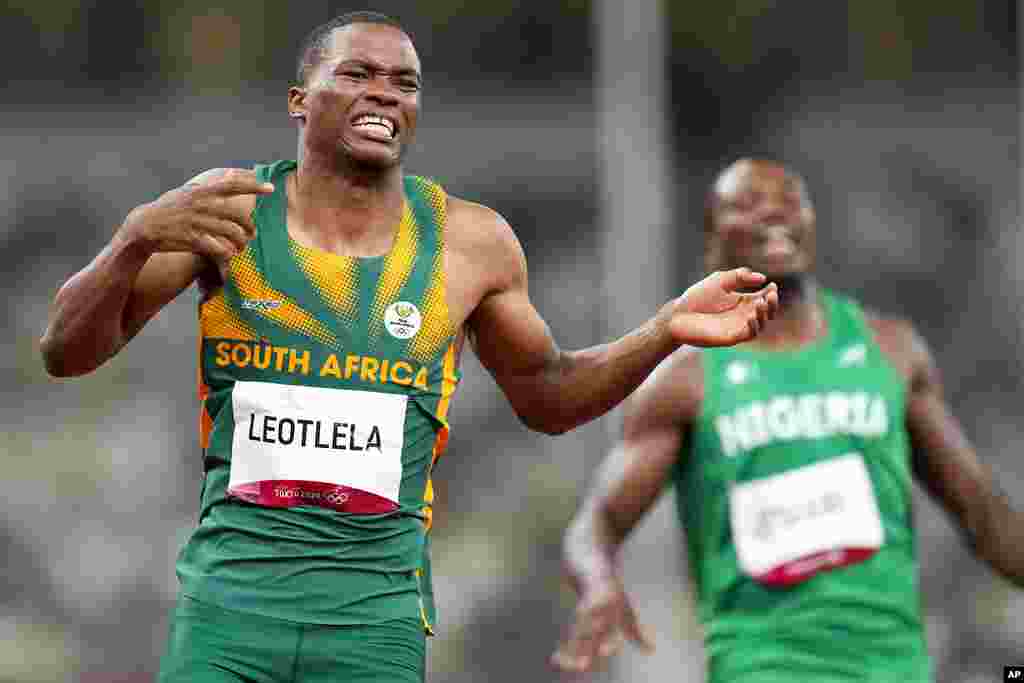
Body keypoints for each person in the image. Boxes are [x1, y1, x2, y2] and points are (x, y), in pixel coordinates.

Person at [38, 12, 778, 683]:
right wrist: (133, 237)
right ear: (300, 100)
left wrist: (663, 330)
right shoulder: (228, 215)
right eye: (357, 74)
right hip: (230, 610)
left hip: (374, 623)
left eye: (405, 83)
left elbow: (548, 395)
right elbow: (64, 351)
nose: (384, 94)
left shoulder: (470, 244)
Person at [552, 158, 1024, 682]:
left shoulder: (891, 350)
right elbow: (593, 526)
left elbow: (982, 513)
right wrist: (598, 585)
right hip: (764, 669)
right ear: (712, 241)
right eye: (748, 204)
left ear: (810, 225)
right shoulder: (685, 380)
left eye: (789, 200)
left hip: (894, 670)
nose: (773, 211)